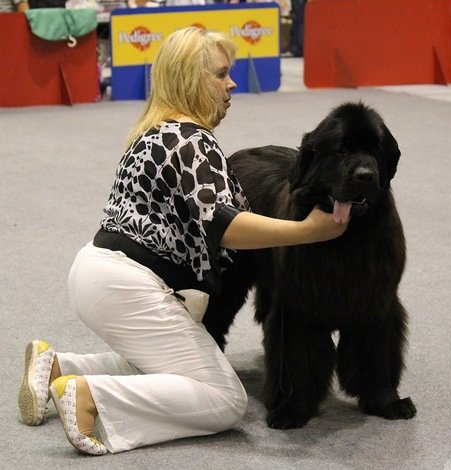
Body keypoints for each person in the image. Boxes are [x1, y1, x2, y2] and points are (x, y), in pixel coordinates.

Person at [17, 27, 348, 455]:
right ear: (191, 79)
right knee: (224, 399)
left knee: (168, 366)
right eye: (221, 74)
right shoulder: (194, 141)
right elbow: (226, 225)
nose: (232, 84)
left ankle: (57, 367)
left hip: (96, 273)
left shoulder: (152, 132)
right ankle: (91, 397)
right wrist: (308, 231)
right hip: (130, 287)